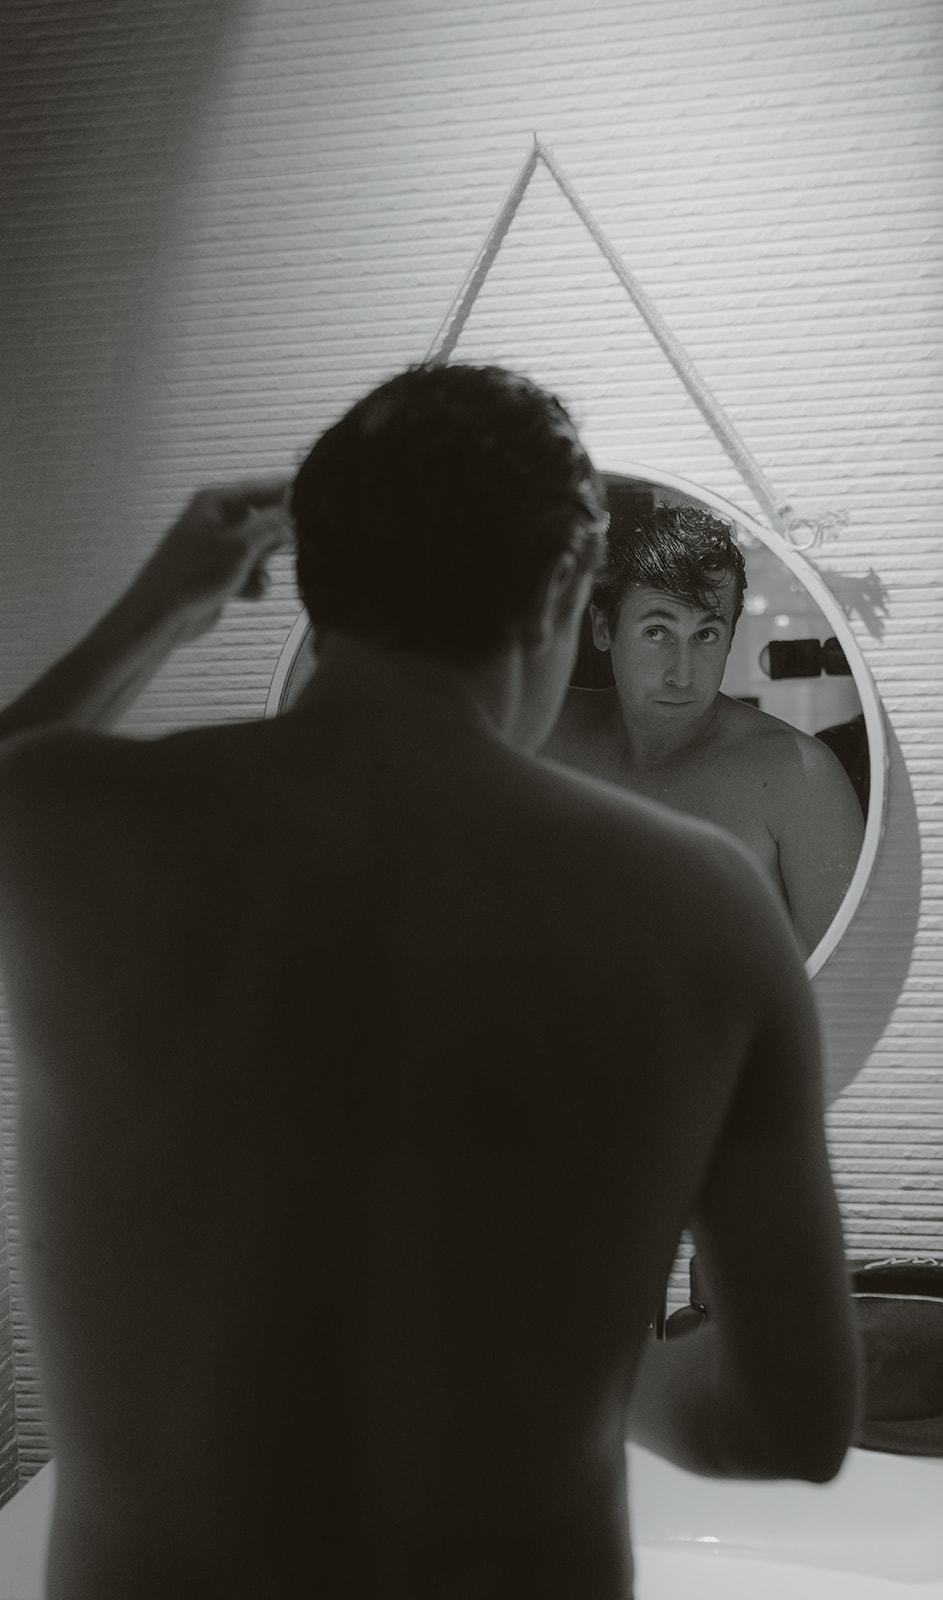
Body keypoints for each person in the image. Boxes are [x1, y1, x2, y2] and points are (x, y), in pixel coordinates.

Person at [0, 363, 860, 1600]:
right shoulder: (701, 905)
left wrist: (159, 607)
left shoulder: (74, 826)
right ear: (575, 593)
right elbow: (788, 1424)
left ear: (313, 583)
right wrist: (548, 1361)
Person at [541, 503, 867, 958]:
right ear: (602, 627)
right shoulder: (543, 734)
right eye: (657, 632)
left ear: (731, 637)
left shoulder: (798, 777)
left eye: (707, 635)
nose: (682, 673)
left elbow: (853, 989)